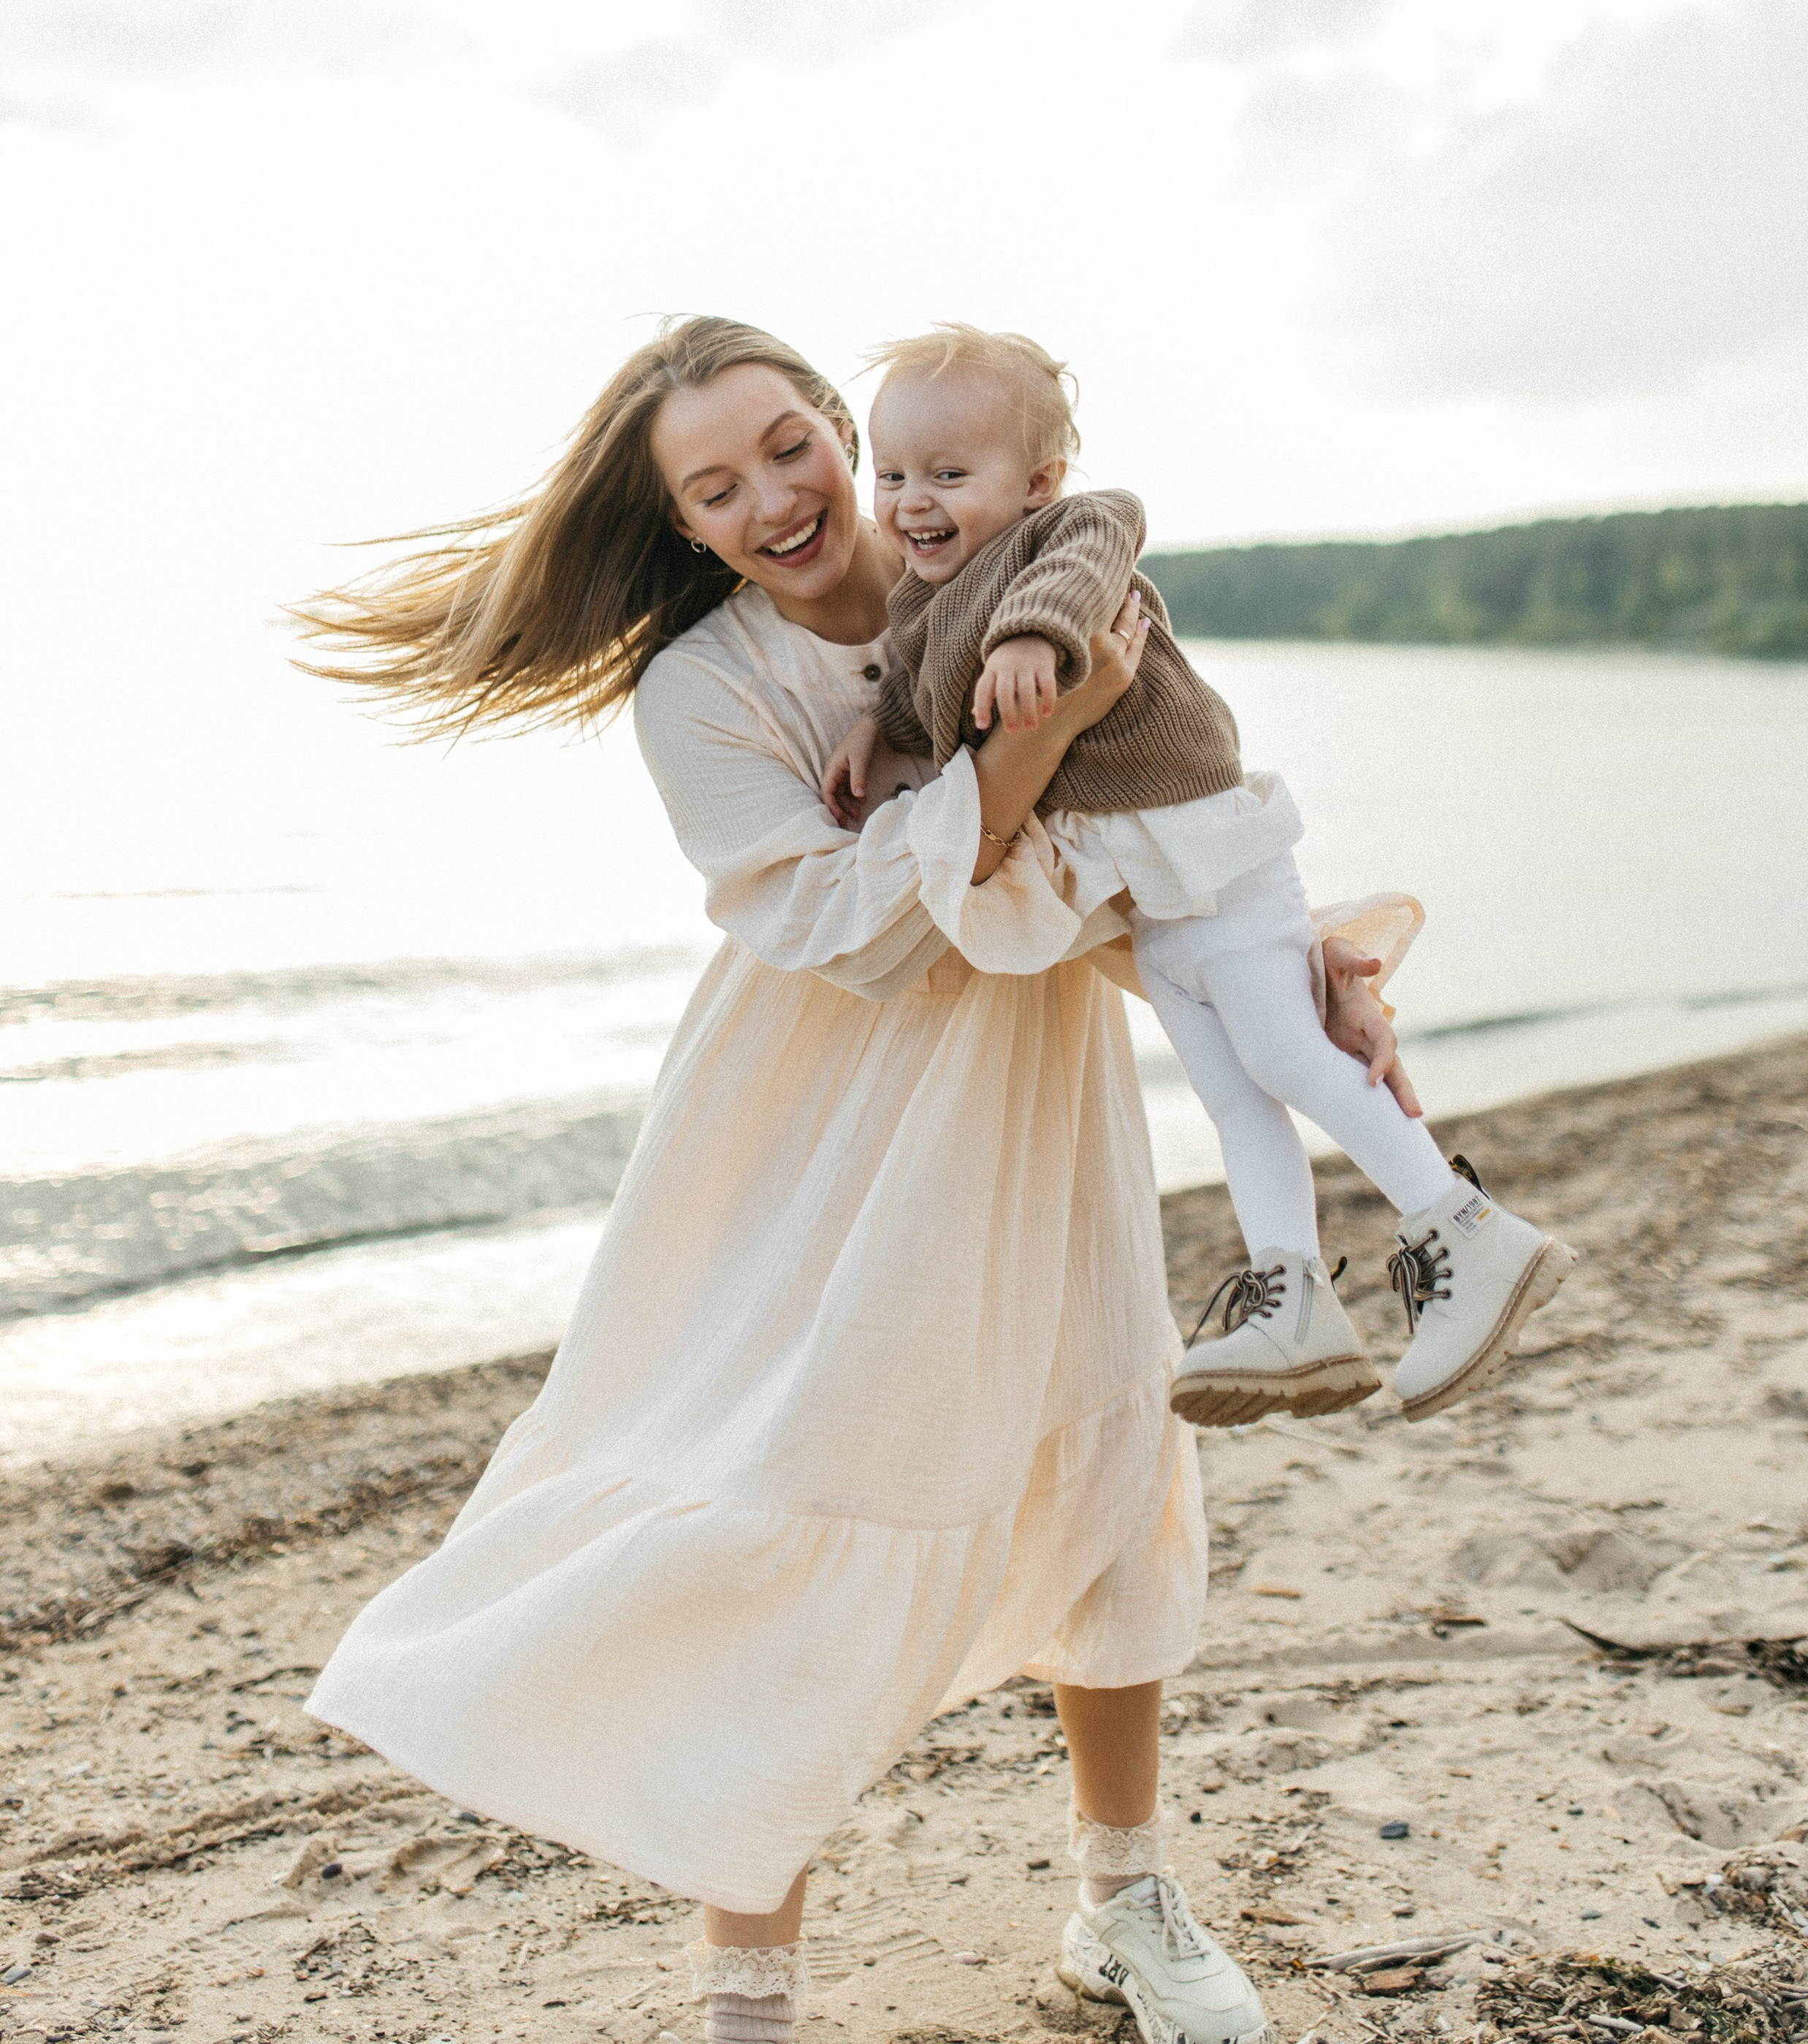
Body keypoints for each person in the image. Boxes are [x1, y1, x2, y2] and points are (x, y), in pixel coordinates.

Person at [292, 316, 1412, 2044]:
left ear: (836, 422)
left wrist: (1313, 1003)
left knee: (1110, 1452)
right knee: (787, 1492)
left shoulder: (1018, 574)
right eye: (716, 488)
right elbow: (859, 934)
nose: (776, 499)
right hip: (811, 1124)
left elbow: (1143, 851)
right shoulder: (703, 688)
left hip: (1028, 1088)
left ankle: (1123, 1900)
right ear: (685, 527)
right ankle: (750, 1990)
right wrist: (1044, 736)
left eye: (787, 446)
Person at [823, 324, 1574, 1433]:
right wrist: (875, 733)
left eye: (947, 473)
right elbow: (923, 685)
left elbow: (1097, 549)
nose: (910, 500)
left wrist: (1036, 634)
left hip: (1204, 847)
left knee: (1284, 1054)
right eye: (891, 475)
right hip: (1148, 892)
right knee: (1233, 1098)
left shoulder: (1068, 533)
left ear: (1035, 483)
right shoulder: (922, 601)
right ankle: (1296, 1298)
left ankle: (1465, 1229)